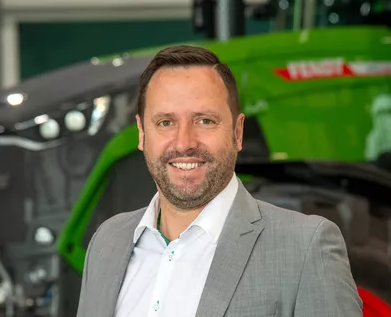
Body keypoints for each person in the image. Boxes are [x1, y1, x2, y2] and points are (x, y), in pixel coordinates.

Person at [76, 45, 363, 317]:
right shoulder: (107, 242)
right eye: (165, 122)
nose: (184, 142)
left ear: (238, 133)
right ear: (141, 134)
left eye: (205, 121)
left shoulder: (305, 248)